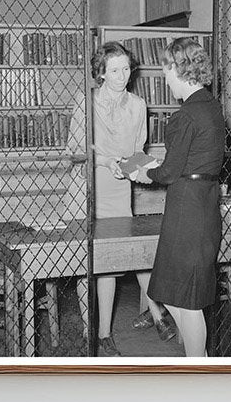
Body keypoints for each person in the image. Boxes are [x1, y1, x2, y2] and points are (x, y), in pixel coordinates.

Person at [66, 42, 173, 356]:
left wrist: (131, 166)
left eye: (126, 68)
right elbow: (75, 150)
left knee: (117, 259)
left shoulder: (139, 105)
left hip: (117, 190)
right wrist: (104, 161)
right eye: (114, 69)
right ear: (100, 72)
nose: (122, 75)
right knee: (91, 264)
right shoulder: (85, 102)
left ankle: (119, 327)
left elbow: (138, 151)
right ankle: (97, 334)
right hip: (86, 189)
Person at [133, 37, 226, 357]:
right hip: (204, 201)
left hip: (186, 208)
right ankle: (198, 361)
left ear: (179, 69)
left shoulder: (184, 116)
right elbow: (188, 162)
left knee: (181, 297)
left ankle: (198, 365)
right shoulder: (211, 107)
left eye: (166, 71)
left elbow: (169, 172)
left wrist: (140, 172)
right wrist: (158, 167)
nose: (165, 78)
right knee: (183, 295)